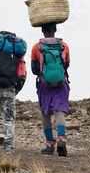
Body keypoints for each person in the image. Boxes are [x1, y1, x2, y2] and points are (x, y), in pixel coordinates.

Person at [30, 23, 70, 157]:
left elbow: (34, 70)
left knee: (45, 114)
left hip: (44, 86)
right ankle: (61, 139)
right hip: (60, 84)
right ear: (55, 30)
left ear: (42, 30)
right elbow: (67, 65)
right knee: (59, 112)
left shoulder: (37, 47)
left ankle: (49, 144)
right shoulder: (64, 46)